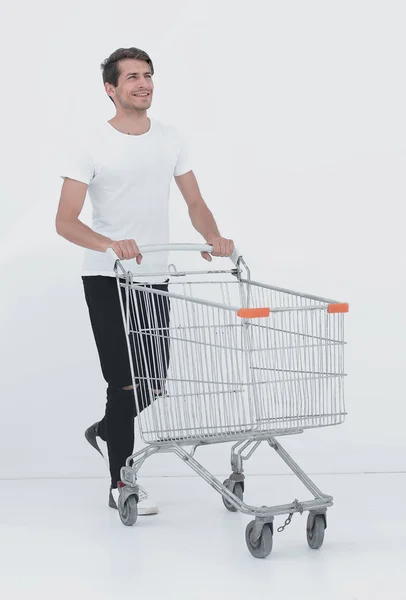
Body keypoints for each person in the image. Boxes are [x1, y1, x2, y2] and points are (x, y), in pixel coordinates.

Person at [55, 47, 234, 515]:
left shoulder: (171, 138)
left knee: (154, 382)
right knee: (124, 384)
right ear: (110, 89)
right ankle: (121, 484)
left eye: (148, 75)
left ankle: (106, 431)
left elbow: (194, 201)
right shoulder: (91, 144)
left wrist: (212, 234)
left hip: (155, 277)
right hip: (107, 278)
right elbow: (65, 221)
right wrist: (110, 244)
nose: (144, 83)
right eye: (132, 76)